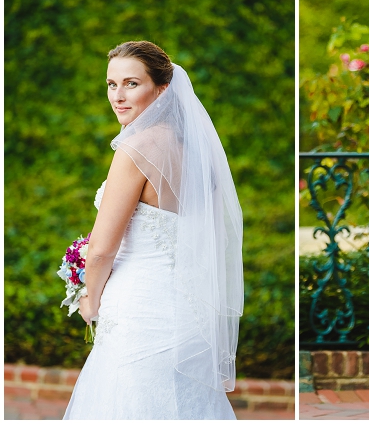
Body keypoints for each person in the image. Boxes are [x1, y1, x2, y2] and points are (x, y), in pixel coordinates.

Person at [63, 41, 243, 419]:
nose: (118, 96)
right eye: (111, 85)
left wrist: (89, 299)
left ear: (161, 88)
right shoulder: (192, 149)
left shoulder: (134, 149)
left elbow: (100, 249)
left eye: (131, 84)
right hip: (185, 314)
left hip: (139, 316)